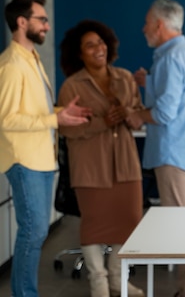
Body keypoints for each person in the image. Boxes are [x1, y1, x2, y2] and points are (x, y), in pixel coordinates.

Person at [0, 0, 91, 297]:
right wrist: (55, 120)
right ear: (22, 22)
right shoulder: (12, 65)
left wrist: (60, 113)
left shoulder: (32, 59)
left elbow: (30, 111)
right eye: (41, 19)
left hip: (40, 159)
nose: (47, 26)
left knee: (34, 232)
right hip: (24, 160)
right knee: (34, 231)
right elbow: (8, 119)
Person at [57, 20, 146, 297]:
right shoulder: (72, 86)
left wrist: (127, 114)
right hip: (90, 166)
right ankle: (98, 281)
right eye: (90, 45)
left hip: (125, 165)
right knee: (94, 225)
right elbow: (66, 128)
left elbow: (139, 118)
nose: (99, 48)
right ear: (79, 54)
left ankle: (118, 280)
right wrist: (103, 122)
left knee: (129, 220)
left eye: (101, 42)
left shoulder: (124, 78)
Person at [126, 0, 185, 297]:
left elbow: (164, 113)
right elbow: (178, 97)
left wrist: (137, 115)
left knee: (180, 229)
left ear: (160, 25)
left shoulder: (170, 59)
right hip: (182, 153)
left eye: (147, 22)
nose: (144, 28)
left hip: (171, 154)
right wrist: (149, 82)